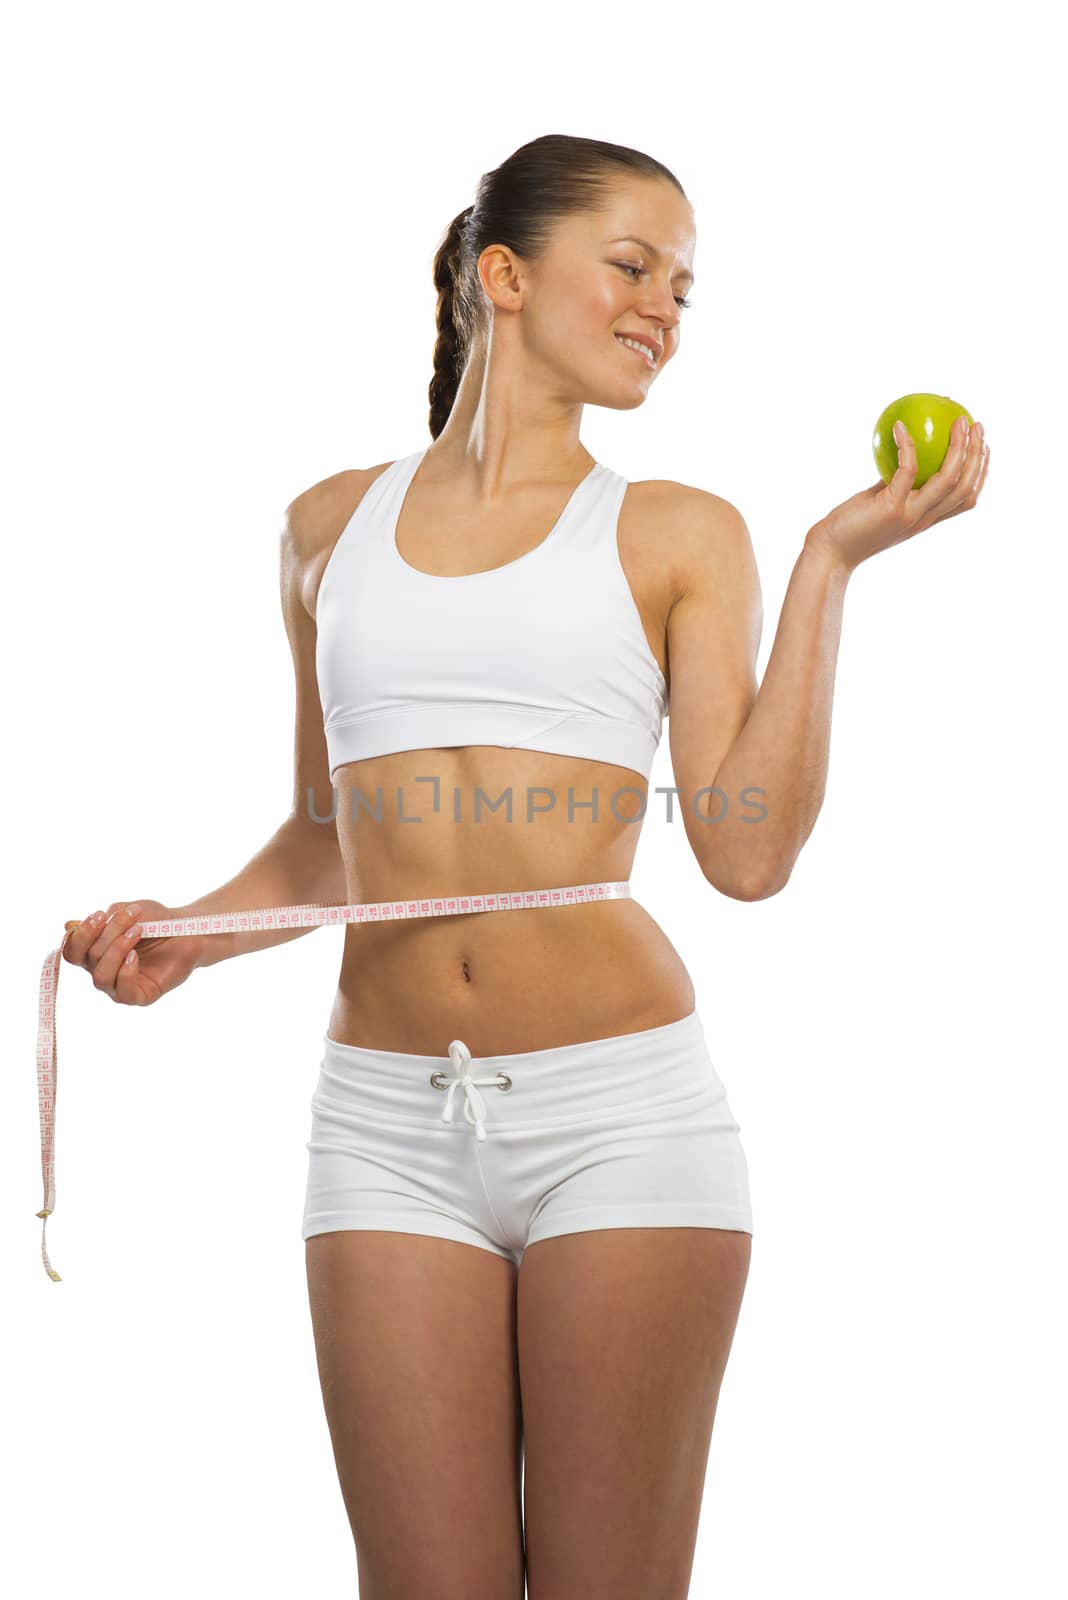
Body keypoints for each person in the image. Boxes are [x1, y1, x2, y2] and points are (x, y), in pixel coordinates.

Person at [62, 133, 989, 1600]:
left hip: (619, 1115)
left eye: (685, 290)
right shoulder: (326, 530)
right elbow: (326, 834)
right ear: (503, 275)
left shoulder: (682, 532)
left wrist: (830, 563)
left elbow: (746, 857)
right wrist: (197, 932)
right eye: (632, 266)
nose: (663, 312)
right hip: (380, 1124)